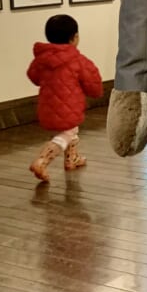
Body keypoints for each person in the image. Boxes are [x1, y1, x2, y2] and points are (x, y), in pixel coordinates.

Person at [27, 14, 103, 182]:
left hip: (47, 105)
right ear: (74, 37)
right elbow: (92, 81)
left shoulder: (41, 59)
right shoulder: (78, 60)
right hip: (70, 104)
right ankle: (42, 161)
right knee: (67, 134)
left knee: (71, 131)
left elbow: (33, 76)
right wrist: (97, 92)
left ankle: (72, 159)